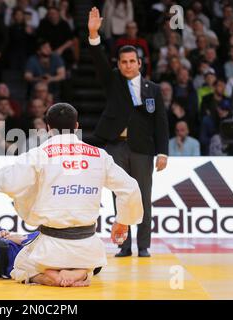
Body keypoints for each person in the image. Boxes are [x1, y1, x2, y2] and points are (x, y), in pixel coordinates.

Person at [0, 103, 143, 287]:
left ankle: (50, 275)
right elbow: (131, 187)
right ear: (77, 126)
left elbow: (8, 183)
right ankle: (82, 273)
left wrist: (27, 192)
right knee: (90, 261)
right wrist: (122, 221)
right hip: (87, 247)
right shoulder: (99, 155)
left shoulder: (39, 154)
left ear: (48, 128)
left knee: (19, 266)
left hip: (50, 247)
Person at [88, 7, 168, 258]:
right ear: (119, 65)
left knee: (144, 198)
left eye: (132, 61)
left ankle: (143, 246)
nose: (128, 65)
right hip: (115, 147)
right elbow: (99, 61)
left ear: (140, 63)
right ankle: (124, 245)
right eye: (123, 62)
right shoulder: (112, 81)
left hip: (143, 150)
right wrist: (93, 35)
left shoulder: (152, 89)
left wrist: (163, 152)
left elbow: (161, 123)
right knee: (120, 198)